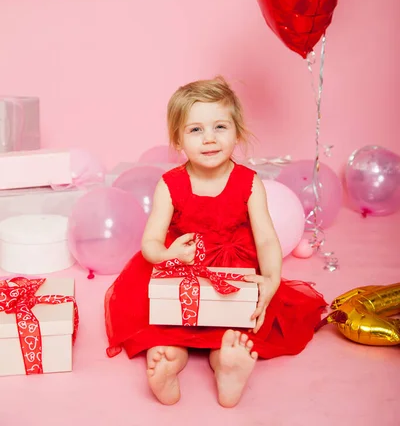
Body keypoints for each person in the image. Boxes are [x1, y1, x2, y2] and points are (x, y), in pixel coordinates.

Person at [104, 76, 326, 408]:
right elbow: (149, 241)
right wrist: (167, 253)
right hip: (183, 270)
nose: (209, 139)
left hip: (231, 267)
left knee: (238, 326)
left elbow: (266, 238)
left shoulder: (249, 183)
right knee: (164, 325)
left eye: (219, 127)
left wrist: (271, 279)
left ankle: (227, 365)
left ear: (237, 132)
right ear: (178, 140)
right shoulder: (169, 184)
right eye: (195, 130)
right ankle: (169, 361)